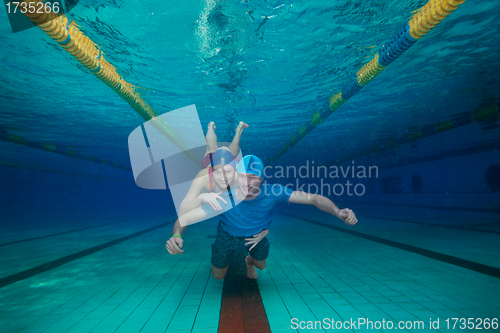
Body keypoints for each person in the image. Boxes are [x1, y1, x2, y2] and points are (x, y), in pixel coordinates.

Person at [167, 155, 358, 280]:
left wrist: (337, 212)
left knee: (261, 266)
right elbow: (185, 218)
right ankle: (223, 258)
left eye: (253, 177)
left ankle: (249, 261)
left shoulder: (273, 192)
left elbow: (314, 198)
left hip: (257, 235)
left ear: (262, 179)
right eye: (243, 176)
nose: (247, 183)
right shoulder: (224, 196)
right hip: (227, 234)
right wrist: (177, 235)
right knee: (218, 276)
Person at [177, 121, 249, 216]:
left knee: (214, 146)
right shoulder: (204, 176)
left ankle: (235, 128)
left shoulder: (239, 176)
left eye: (227, 172)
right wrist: (200, 198)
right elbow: (182, 210)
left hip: (233, 164)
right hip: (224, 163)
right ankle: (213, 127)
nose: (223, 178)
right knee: (214, 146)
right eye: (218, 172)